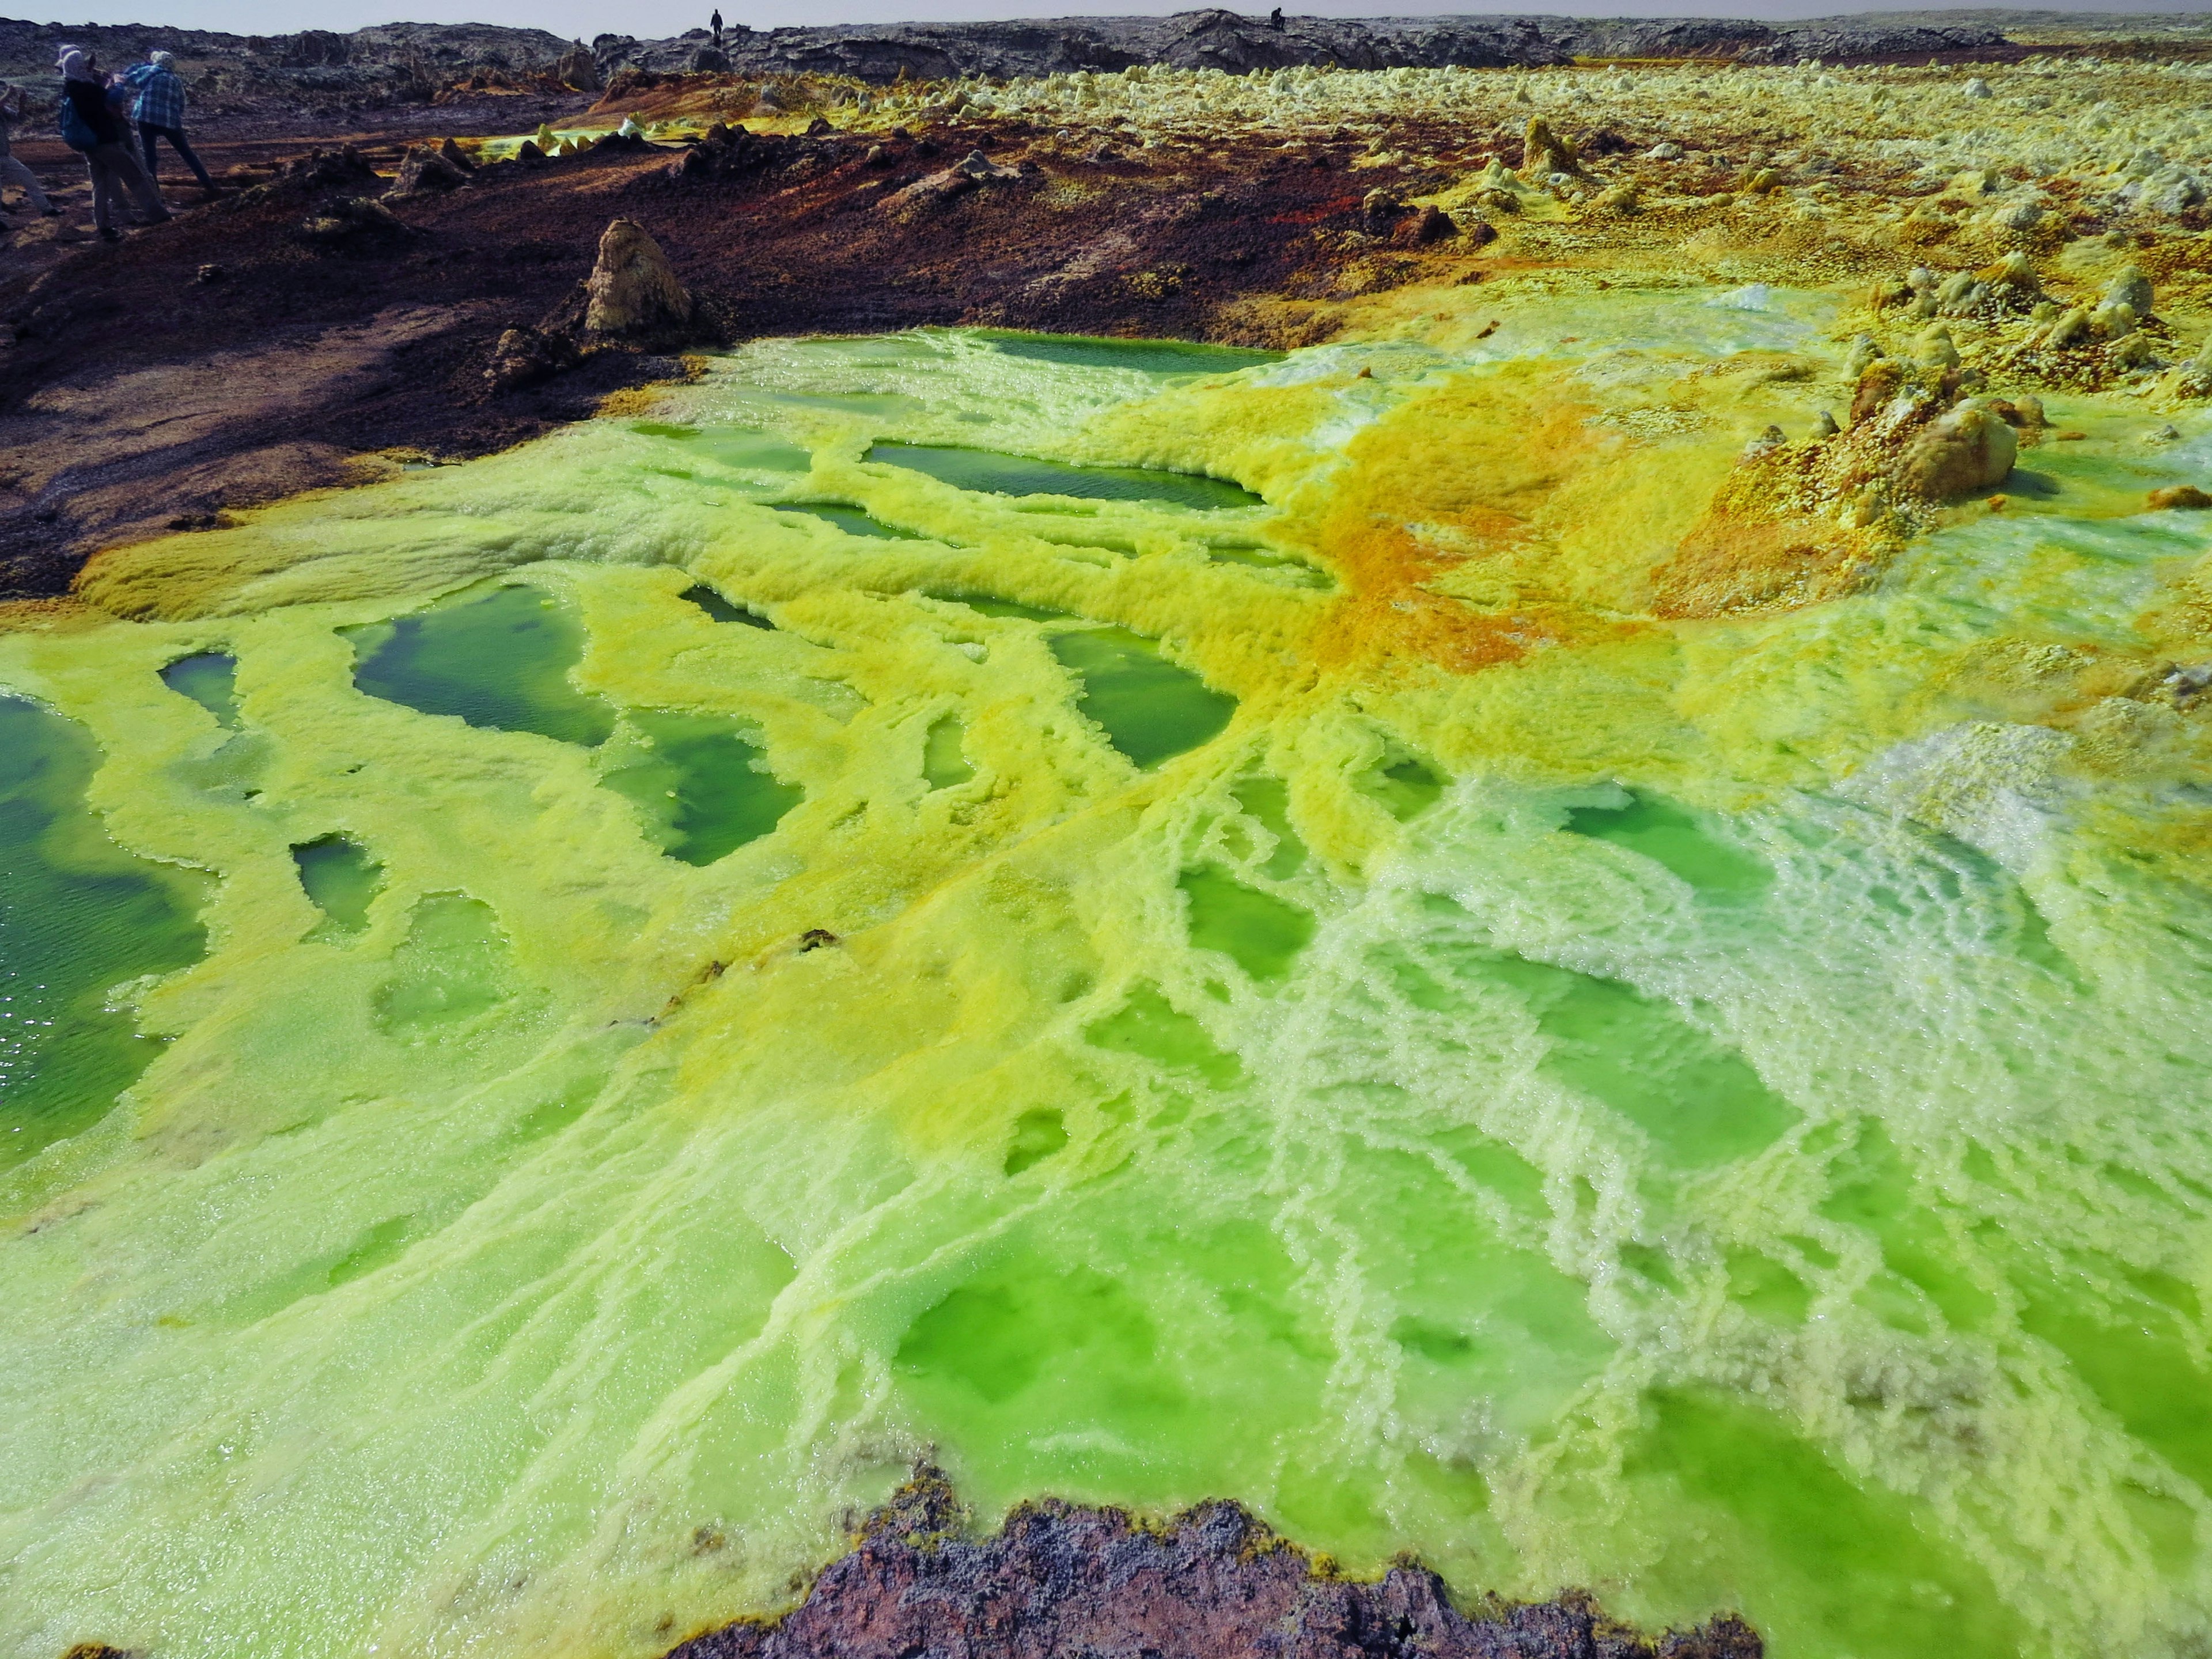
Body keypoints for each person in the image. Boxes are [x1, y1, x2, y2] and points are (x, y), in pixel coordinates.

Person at [56, 46, 170, 241]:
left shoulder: (71, 88)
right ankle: (159, 216)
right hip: (104, 141)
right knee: (135, 177)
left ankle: (103, 225)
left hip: (89, 144)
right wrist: (118, 84)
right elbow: (112, 99)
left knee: (99, 185)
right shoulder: (88, 88)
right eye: (83, 63)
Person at [126, 51, 213, 191]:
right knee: (187, 153)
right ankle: (209, 186)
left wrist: (136, 67)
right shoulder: (175, 80)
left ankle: (154, 192)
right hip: (169, 121)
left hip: (145, 117)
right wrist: (176, 115)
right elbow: (181, 102)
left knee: (149, 156)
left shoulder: (147, 72)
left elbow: (127, 79)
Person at [0, 82, 60, 215]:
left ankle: (46, 209)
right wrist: (9, 94)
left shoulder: (2, 107)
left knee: (28, 178)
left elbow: (19, 118)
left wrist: (22, 102)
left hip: (4, 154)